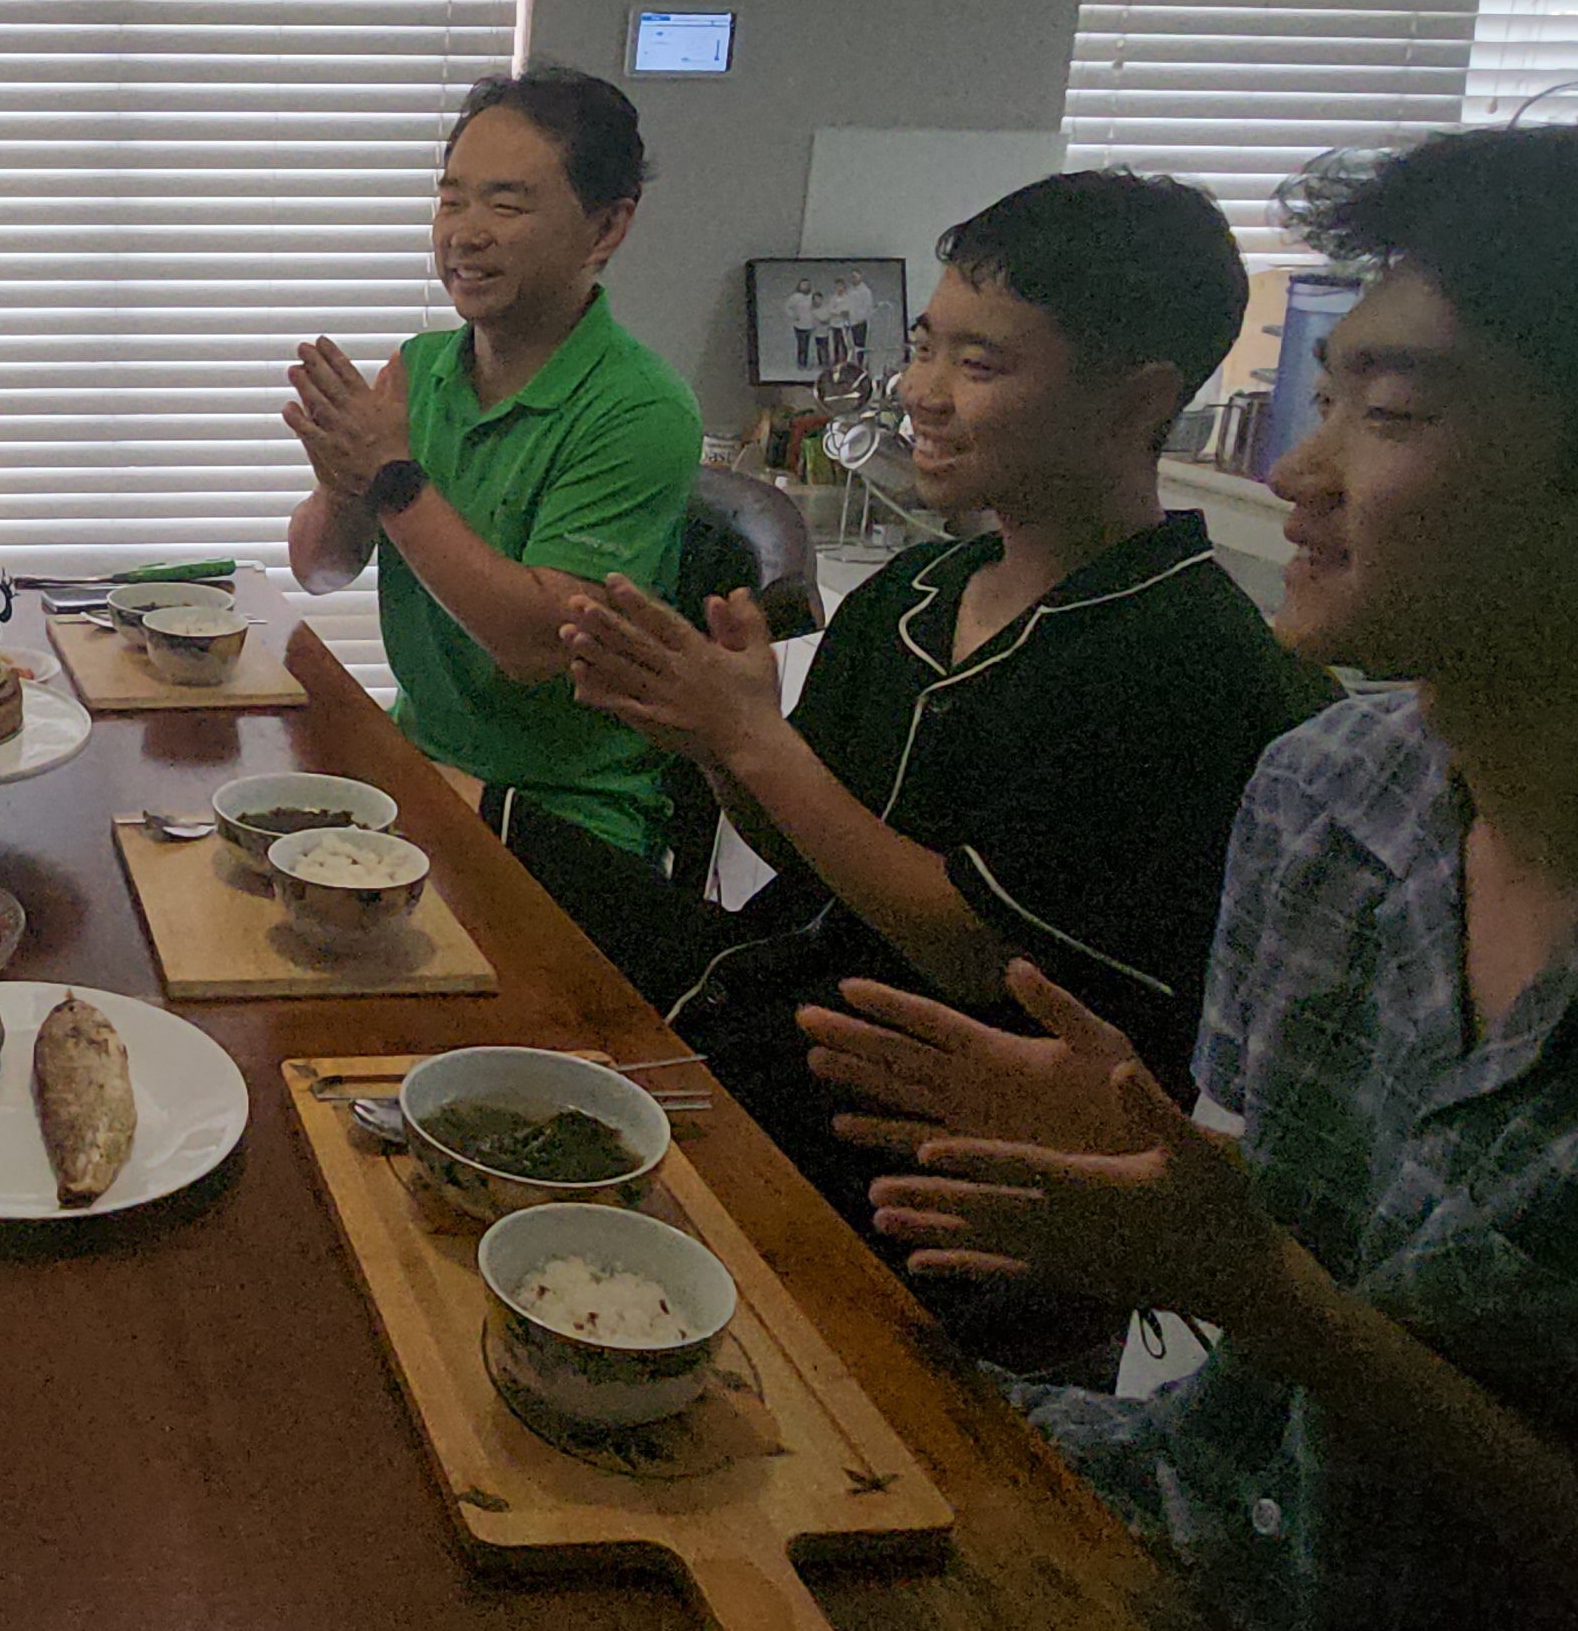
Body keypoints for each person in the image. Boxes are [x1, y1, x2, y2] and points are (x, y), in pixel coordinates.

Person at [804, 82, 1578, 1631]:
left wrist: (1272, 1299)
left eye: (1392, 412)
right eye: (1327, 394)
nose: (1299, 472)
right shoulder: (1329, 792)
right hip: (1175, 1554)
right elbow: (1245, 1258)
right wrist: (1121, 1203)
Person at [562, 171, 1334, 1374]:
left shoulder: (1180, 653)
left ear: (1138, 399)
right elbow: (811, 846)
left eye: (980, 362)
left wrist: (755, 739)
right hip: (767, 1055)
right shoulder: (917, 592)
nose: (920, 390)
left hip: (931, 1194)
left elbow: (973, 948)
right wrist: (713, 738)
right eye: (925, 346)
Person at [286, 66, 704, 987]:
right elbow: (319, 570)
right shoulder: (422, 367)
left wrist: (392, 479)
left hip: (562, 818)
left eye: (506, 204)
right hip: (423, 769)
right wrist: (341, 486)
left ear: (607, 228)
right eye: (451, 200)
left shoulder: (641, 408)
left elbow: (534, 644)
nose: (464, 233)